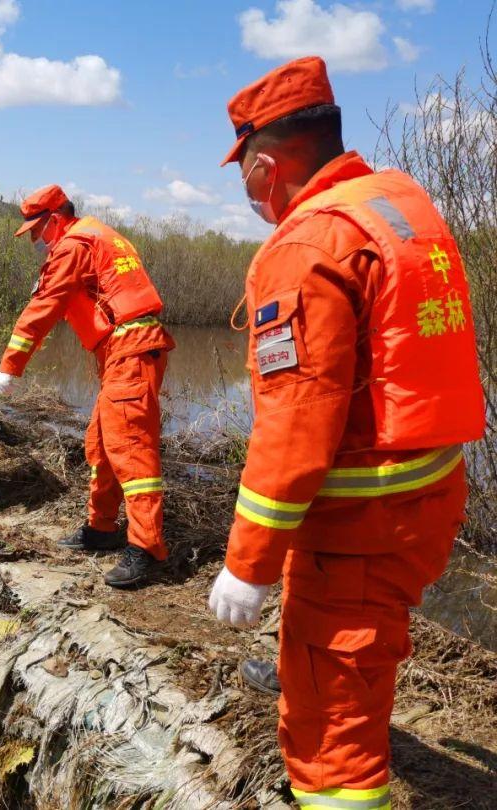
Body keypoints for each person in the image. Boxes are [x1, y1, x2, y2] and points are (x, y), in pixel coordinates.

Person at [206, 56, 485, 810]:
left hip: (363, 522)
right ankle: (322, 665)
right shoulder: (396, 203)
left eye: (245, 176)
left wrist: (248, 563)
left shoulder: (307, 246)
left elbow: (297, 424)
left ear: (266, 164)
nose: (249, 193)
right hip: (426, 491)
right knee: (352, 641)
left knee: (330, 736)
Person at [0, 185, 174, 588]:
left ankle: (147, 549)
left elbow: (43, 307)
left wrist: (10, 367)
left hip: (131, 347)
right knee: (100, 441)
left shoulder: (72, 246)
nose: (38, 242)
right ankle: (102, 528)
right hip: (122, 349)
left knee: (130, 449)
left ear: (55, 220)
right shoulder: (97, 236)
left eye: (39, 232)